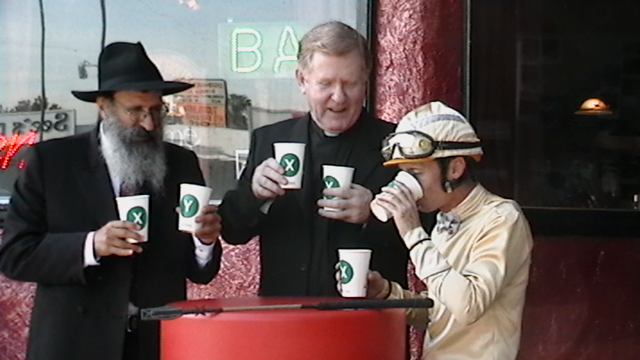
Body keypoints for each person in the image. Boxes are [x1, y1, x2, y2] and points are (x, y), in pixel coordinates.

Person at [0, 42, 223, 360]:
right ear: (104, 107)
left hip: (156, 343)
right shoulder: (53, 162)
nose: (149, 124)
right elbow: (15, 255)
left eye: (156, 111)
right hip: (75, 343)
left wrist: (204, 242)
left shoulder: (182, 163)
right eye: (135, 111)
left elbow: (200, 272)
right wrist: (92, 245)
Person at [218, 21, 413, 296]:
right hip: (286, 321)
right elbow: (232, 231)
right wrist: (255, 195)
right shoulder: (269, 140)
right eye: (325, 84)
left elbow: (431, 237)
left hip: (369, 323)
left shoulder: (398, 146)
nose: (339, 97)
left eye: (350, 83)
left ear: (366, 80)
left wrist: (375, 214)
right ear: (302, 81)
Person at [366, 101, 533, 360]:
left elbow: (467, 305)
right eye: (403, 173)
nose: (406, 184)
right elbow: (440, 312)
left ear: (455, 168)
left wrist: (413, 234)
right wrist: (388, 293)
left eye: (415, 172)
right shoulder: (445, 220)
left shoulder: (501, 218)